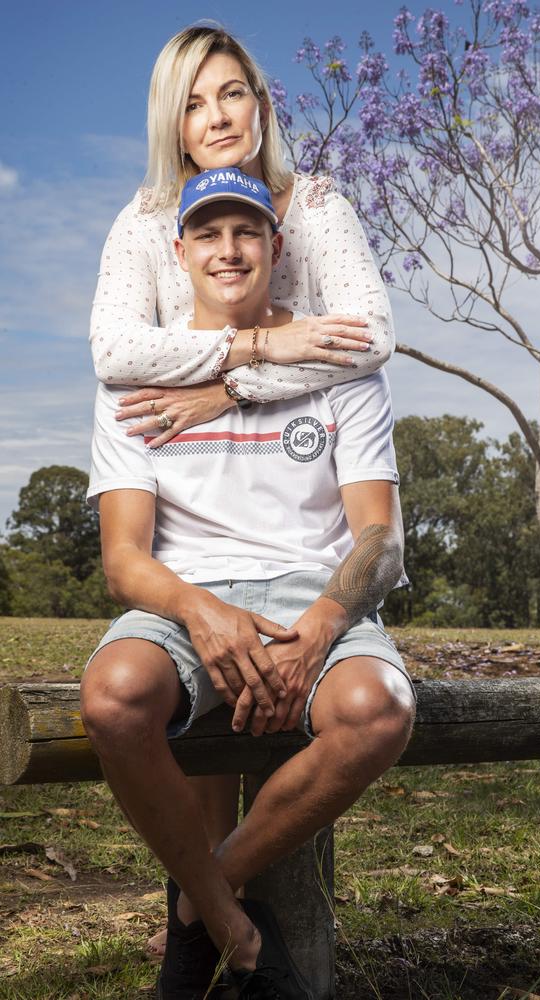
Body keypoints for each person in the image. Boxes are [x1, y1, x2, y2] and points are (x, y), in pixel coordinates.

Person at [89, 21, 396, 961]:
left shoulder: (320, 207)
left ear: (262, 104)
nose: (216, 116)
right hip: (200, 558)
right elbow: (116, 354)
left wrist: (229, 384)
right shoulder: (146, 222)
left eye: (231, 94)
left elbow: (363, 341)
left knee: (359, 702)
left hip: (303, 538)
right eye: (192, 101)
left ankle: (201, 903)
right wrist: (257, 345)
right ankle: (222, 913)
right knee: (142, 696)